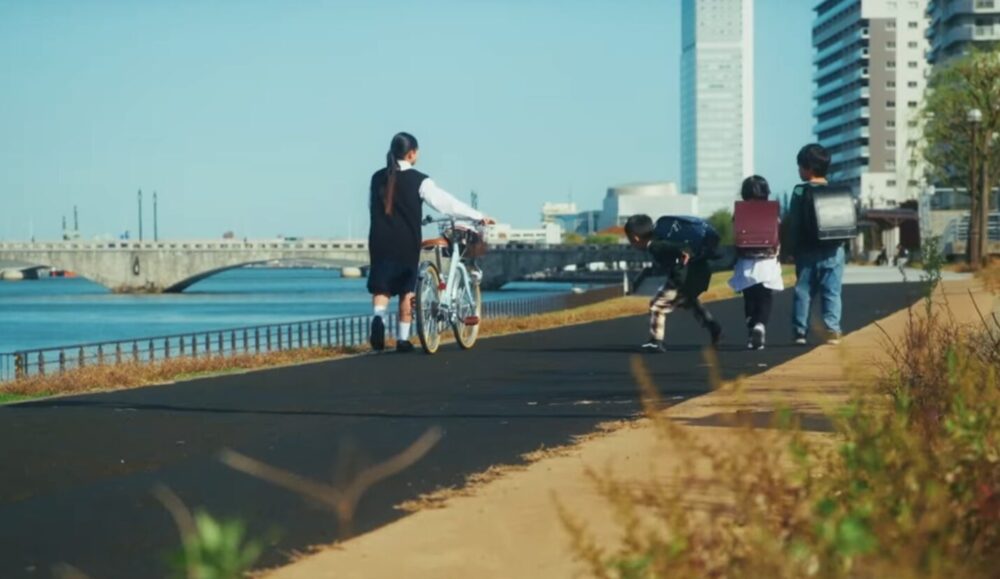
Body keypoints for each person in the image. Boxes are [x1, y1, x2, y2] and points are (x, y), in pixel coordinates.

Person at [368, 132, 493, 353]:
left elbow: (372, 206)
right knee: (407, 290)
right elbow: (446, 204)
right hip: (406, 240)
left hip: (379, 238)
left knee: (382, 287)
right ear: (411, 153)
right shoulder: (420, 180)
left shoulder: (377, 177)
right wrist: (477, 215)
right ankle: (402, 339)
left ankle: (378, 318)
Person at [625, 214, 723, 353]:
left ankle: (655, 341)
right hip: (699, 273)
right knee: (689, 301)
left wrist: (681, 252)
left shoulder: (654, 245)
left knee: (657, 305)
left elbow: (671, 247)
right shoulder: (662, 237)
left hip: (683, 278)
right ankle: (714, 327)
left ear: (635, 238)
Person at [783, 143, 844, 346]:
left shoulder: (800, 191)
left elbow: (794, 223)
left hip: (807, 250)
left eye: (800, 167)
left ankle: (800, 332)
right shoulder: (836, 190)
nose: (798, 171)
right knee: (832, 292)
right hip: (834, 250)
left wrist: (790, 249)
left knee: (803, 291)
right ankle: (832, 329)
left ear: (808, 168)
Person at [729, 176, 784, 350]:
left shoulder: (739, 213)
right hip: (768, 261)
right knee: (765, 298)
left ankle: (751, 327)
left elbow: (734, 236)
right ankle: (760, 325)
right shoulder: (772, 211)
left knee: (750, 298)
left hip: (746, 262)